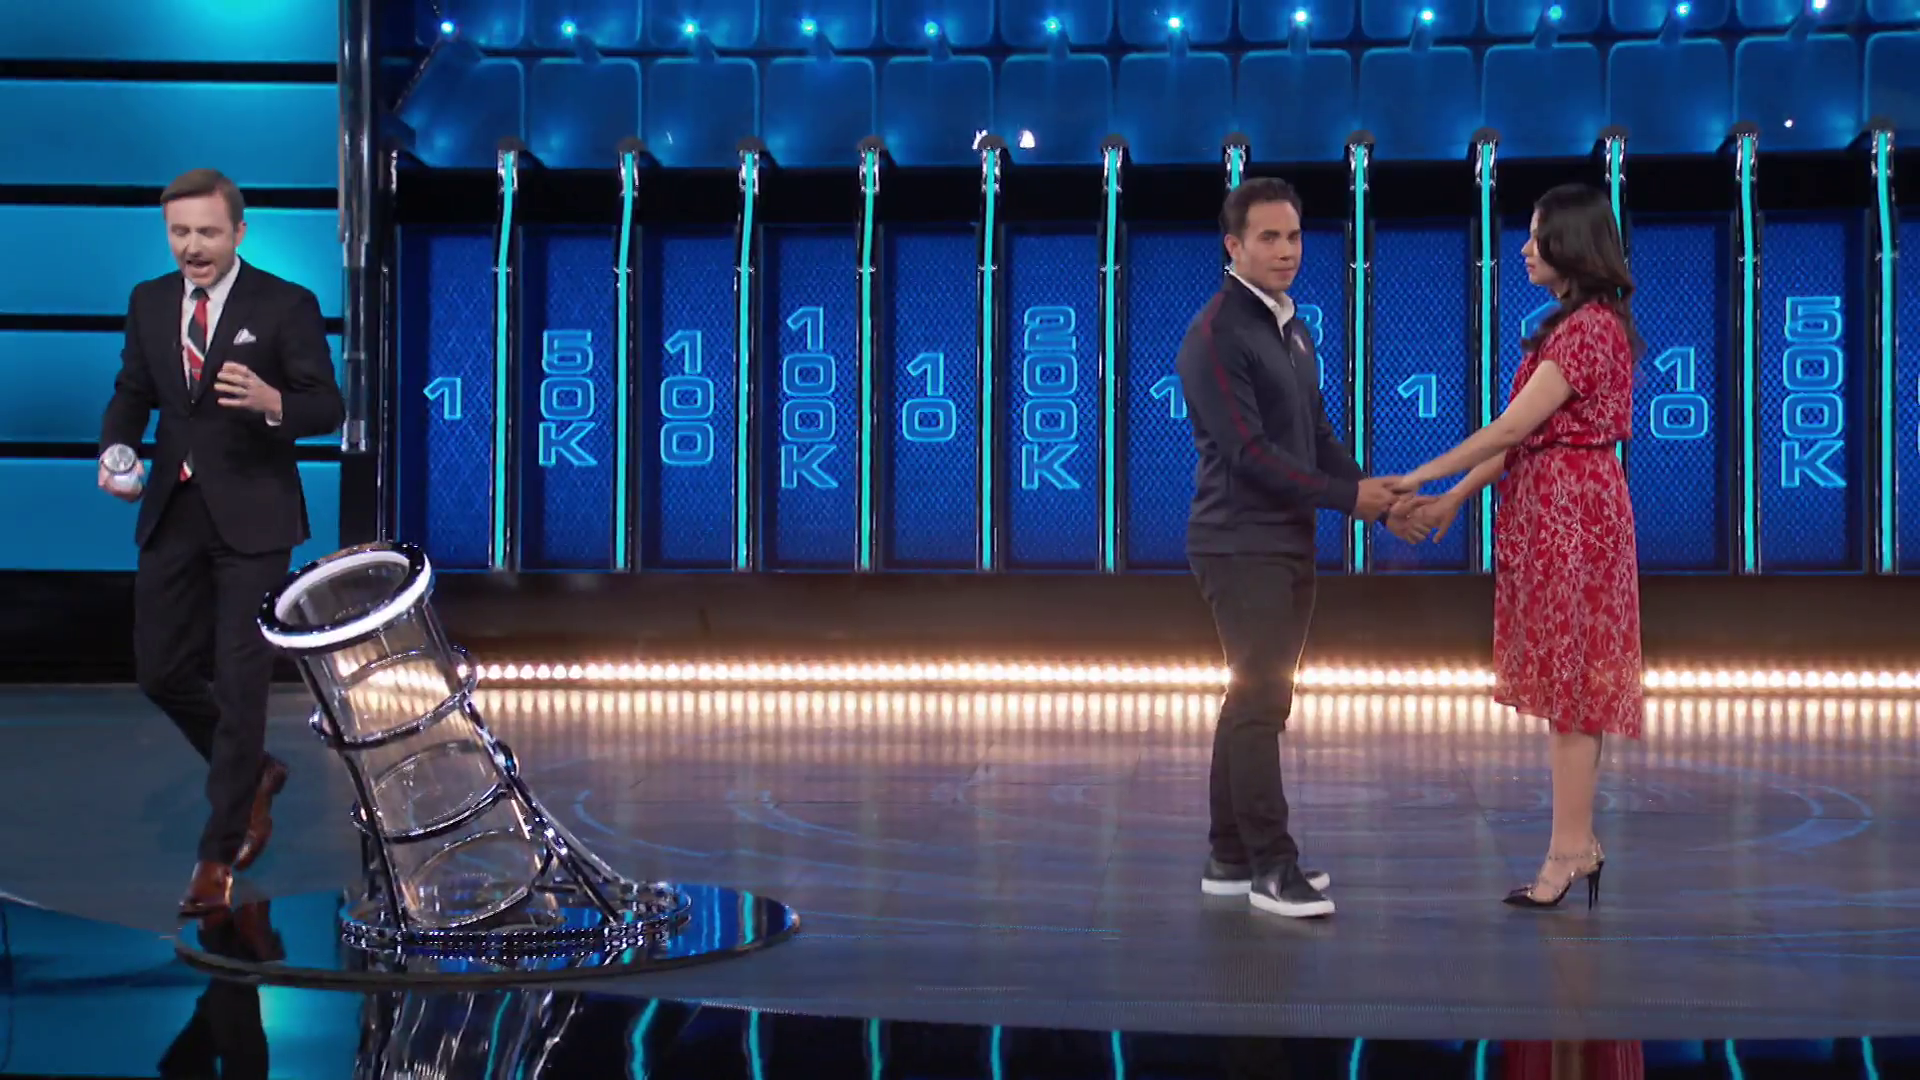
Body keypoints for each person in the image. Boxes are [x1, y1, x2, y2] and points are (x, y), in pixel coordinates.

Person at [1388, 182, 1645, 909]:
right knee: (1570, 690)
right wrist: (1453, 499)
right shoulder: (1567, 327)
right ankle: (1576, 845)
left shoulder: (1591, 329)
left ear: (1573, 244)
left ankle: (1570, 850)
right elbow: (1518, 442)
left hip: (1575, 519)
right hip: (1551, 512)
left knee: (1574, 690)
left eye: (1538, 236)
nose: (1525, 249)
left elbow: (1509, 429)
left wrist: (1419, 476)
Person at [97, 168, 345, 916]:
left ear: (239, 231)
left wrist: (274, 403)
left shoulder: (285, 304)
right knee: (160, 671)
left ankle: (216, 854)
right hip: (175, 509)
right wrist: (116, 449)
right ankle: (255, 772)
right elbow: (132, 392)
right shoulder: (149, 302)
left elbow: (326, 406)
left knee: (241, 687)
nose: (193, 247)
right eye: (180, 233)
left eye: (207, 232)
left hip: (255, 518)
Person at [1175, 177, 1410, 919]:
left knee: (1253, 698)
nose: (1286, 251)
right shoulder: (1217, 334)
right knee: (1261, 700)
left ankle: (1230, 856)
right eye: (1269, 237)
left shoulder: (1293, 329)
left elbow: (1316, 437)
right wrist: (1347, 498)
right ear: (1234, 246)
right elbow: (1247, 454)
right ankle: (1273, 867)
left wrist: (1376, 496)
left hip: (1286, 538)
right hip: (1239, 542)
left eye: (1294, 236)